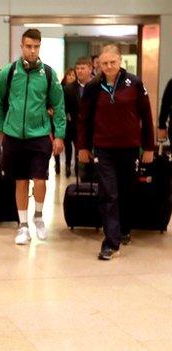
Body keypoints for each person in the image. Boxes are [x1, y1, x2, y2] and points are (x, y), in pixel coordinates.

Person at [77, 43, 154, 260]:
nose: (108, 66)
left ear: (120, 61)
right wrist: (83, 146)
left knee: (126, 191)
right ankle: (111, 243)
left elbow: (146, 116)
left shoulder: (135, 83)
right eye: (104, 63)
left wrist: (149, 146)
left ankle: (123, 229)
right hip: (104, 149)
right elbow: (84, 119)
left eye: (112, 62)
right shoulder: (93, 87)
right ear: (98, 64)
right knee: (108, 193)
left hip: (129, 148)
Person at [0, 28, 66, 245]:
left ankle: (39, 217)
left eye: (36, 47)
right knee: (21, 181)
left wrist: (59, 135)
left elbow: (59, 106)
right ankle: (23, 226)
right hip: (13, 136)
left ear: (39, 47)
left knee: (40, 179)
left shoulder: (49, 74)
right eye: (28, 46)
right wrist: (1, 130)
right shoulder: (9, 71)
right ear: (22, 47)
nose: (32, 51)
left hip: (40, 135)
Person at [61, 58, 94, 177]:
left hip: (93, 129)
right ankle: (76, 170)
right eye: (77, 68)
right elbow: (63, 109)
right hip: (74, 126)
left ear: (90, 69)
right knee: (76, 151)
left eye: (82, 68)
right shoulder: (68, 89)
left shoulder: (97, 86)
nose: (79, 71)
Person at [54, 66, 77, 175]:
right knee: (63, 144)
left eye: (73, 75)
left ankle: (72, 166)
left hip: (74, 122)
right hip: (62, 121)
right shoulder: (60, 88)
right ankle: (58, 164)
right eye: (69, 75)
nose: (71, 77)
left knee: (73, 145)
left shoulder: (77, 89)